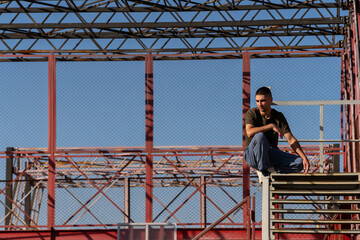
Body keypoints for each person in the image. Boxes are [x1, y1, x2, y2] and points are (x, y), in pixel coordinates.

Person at [244, 86, 310, 182]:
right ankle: (262, 171)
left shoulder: (278, 116)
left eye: (262, 101)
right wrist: (271, 126)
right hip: (252, 155)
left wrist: (304, 157)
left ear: (271, 100)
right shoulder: (252, 113)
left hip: (269, 154)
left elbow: (291, 139)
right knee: (260, 136)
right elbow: (249, 132)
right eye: (257, 101)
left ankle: (271, 170)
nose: (260, 104)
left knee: (300, 162)